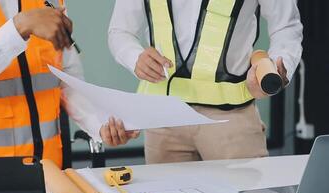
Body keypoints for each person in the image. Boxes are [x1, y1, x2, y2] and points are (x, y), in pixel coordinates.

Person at [108, 0, 303, 164]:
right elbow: (120, 31)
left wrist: (276, 69)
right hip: (164, 117)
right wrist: (135, 58)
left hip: (231, 119)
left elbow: (286, 27)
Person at [0, 0, 139, 168]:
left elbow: (67, 78)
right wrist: (19, 27)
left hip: (50, 169)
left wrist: (99, 124)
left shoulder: (50, 1)